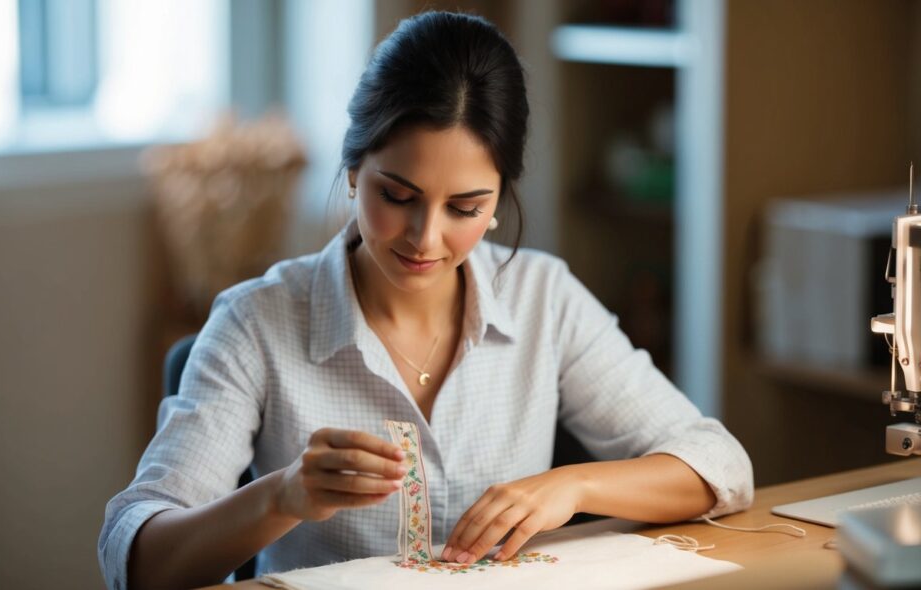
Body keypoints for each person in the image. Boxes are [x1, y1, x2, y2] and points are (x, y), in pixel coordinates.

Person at [99, 11, 753, 590]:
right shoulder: (256, 321)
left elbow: (720, 464)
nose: (426, 238)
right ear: (354, 172)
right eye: (398, 196)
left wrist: (572, 487)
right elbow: (138, 563)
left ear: (499, 199)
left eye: (466, 207)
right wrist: (285, 495)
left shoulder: (543, 296)